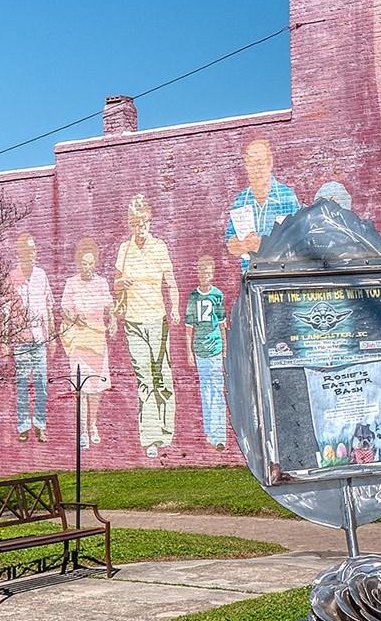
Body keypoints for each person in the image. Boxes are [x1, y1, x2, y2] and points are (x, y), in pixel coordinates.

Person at [114, 194, 178, 457]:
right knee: (144, 379)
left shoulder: (159, 247)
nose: (139, 227)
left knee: (162, 376)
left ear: (149, 221)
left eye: (143, 222)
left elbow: (171, 282)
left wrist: (174, 307)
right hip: (133, 321)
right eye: (134, 223)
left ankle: (167, 431)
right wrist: (122, 283)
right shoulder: (124, 249)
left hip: (157, 320)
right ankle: (150, 437)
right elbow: (115, 284)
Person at [58, 239, 114, 449]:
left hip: (97, 339)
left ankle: (93, 425)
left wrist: (113, 321)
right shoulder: (71, 283)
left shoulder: (101, 283)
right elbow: (64, 309)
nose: (87, 267)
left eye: (90, 263)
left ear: (95, 263)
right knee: (81, 387)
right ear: (78, 263)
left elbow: (110, 308)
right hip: (79, 341)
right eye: (83, 263)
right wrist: (73, 319)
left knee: (96, 388)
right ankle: (82, 431)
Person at [223, 137, 300, 271]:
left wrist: (262, 244)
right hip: (251, 276)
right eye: (251, 164)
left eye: (259, 163)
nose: (256, 170)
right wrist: (243, 244)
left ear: (270, 163)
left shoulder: (286, 196)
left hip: (282, 274)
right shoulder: (241, 200)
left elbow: (298, 238)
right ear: (246, 166)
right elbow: (230, 244)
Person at [8, 232, 52, 443]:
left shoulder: (42, 275)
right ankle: (24, 425)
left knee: (42, 384)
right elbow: (6, 310)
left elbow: (48, 306)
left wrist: (50, 336)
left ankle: (41, 425)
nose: (32, 254)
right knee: (23, 384)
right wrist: (6, 342)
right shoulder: (13, 277)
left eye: (34, 250)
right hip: (21, 340)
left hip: (40, 339)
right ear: (20, 253)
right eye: (28, 250)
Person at [184, 253, 228, 449]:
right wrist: (189, 353)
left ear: (212, 274)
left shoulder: (217, 295)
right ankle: (210, 432)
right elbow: (188, 329)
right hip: (200, 351)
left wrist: (225, 348)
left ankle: (220, 435)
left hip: (215, 349)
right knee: (206, 391)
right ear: (197, 273)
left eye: (207, 271)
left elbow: (222, 324)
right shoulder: (193, 298)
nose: (204, 274)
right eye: (201, 271)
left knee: (217, 390)